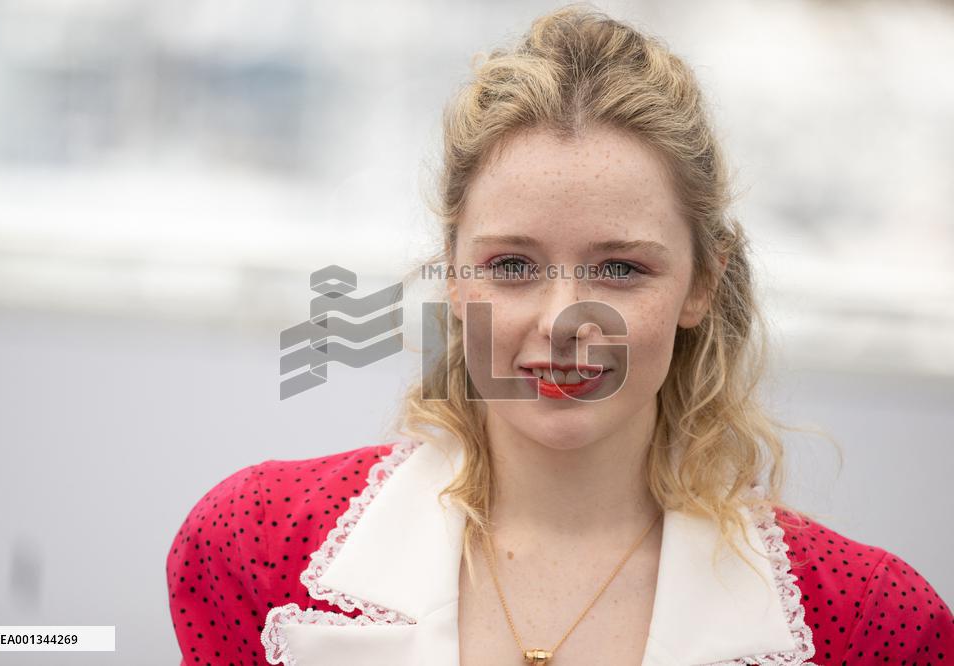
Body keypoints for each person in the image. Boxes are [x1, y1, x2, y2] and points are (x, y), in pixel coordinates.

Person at [166, 5, 954, 665]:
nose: (562, 323)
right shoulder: (255, 548)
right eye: (511, 265)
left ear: (702, 282)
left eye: (619, 269)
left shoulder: (869, 623)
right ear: (451, 273)